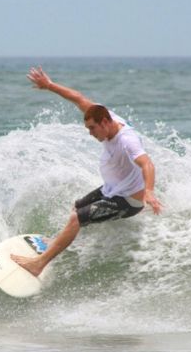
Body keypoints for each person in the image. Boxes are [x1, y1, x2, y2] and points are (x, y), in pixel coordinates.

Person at [11, 67, 162, 277]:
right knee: (78, 208)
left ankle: (39, 264)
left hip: (128, 201)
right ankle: (59, 244)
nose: (91, 134)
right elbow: (78, 98)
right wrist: (49, 85)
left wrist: (150, 192)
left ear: (105, 122)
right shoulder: (102, 114)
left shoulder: (128, 140)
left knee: (77, 219)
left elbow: (147, 163)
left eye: (93, 129)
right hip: (113, 189)